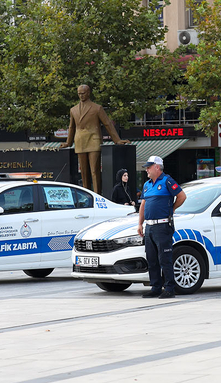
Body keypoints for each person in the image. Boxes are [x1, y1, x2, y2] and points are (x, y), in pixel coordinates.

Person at [60, 84, 129, 194]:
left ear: (88, 93)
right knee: (83, 172)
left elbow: (107, 124)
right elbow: (72, 127)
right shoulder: (73, 110)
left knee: (94, 171)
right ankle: (87, 195)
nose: (81, 96)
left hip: (93, 140)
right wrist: (68, 142)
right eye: (79, 94)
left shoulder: (97, 108)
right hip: (80, 142)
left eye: (83, 93)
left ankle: (97, 194)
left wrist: (117, 140)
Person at [136, 156, 186, 299]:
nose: (146, 169)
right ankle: (156, 287)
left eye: (149, 167)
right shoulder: (147, 184)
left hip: (162, 225)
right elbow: (143, 205)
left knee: (165, 258)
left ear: (157, 167)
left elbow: (182, 196)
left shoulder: (167, 181)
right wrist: (140, 223)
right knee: (152, 259)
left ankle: (169, 288)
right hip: (150, 227)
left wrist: (172, 208)